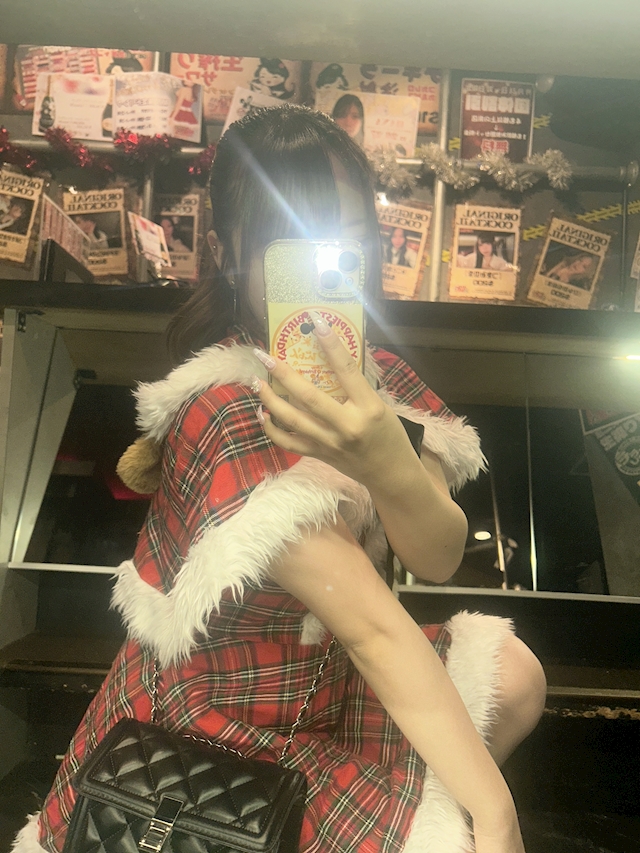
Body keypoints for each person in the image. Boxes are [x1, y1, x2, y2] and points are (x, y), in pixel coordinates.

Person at [13, 105, 546, 853]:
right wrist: (496, 814)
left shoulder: (373, 376)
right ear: (230, 252)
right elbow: (372, 627)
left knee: (513, 674)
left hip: (319, 685)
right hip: (206, 724)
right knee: (463, 826)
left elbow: (438, 555)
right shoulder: (224, 406)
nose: (325, 266)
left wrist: (388, 462)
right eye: (289, 244)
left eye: (347, 239)